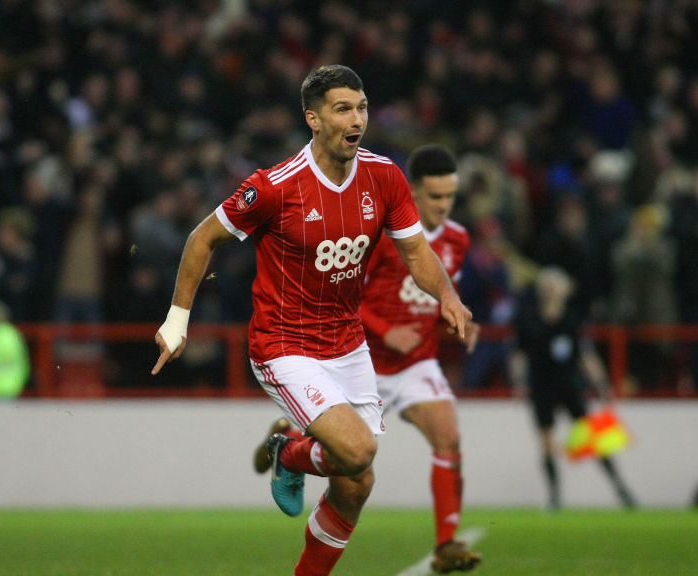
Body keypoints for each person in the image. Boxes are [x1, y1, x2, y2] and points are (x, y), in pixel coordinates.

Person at [151, 65, 474, 576]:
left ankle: (292, 466)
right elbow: (202, 238)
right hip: (284, 344)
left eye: (362, 107)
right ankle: (291, 453)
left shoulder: (384, 176)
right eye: (343, 108)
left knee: (357, 481)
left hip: (347, 344)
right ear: (314, 118)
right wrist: (177, 319)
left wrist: (448, 298)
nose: (357, 119)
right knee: (357, 448)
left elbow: (415, 252)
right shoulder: (277, 186)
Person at [358, 144, 482, 572]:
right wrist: (385, 329)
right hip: (362, 362)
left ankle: (446, 544)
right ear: (412, 192)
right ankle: (290, 439)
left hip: (416, 364)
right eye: (436, 197)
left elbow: (442, 301)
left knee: (448, 436)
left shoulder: (458, 240)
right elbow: (342, 297)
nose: (445, 206)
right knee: (345, 465)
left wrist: (458, 323)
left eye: (450, 196)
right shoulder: (382, 233)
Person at [508, 266, 636, 510]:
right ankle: (555, 496)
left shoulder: (571, 320)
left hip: (569, 385)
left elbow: (585, 355)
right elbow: (518, 355)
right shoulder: (529, 320)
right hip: (541, 387)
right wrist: (520, 382)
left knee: (593, 438)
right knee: (546, 441)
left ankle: (620, 489)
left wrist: (602, 385)